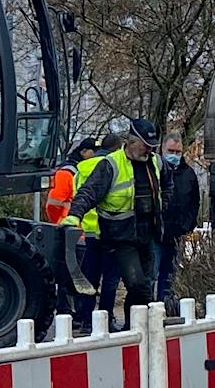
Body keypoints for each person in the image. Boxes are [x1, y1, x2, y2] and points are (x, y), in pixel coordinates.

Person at [64, 116, 165, 323]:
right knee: (138, 285)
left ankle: (133, 326)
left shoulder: (154, 162)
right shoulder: (110, 165)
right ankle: (146, 325)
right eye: (146, 146)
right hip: (120, 238)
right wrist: (74, 216)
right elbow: (88, 193)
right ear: (131, 141)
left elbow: (167, 187)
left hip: (147, 235)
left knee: (142, 286)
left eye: (152, 146)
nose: (149, 151)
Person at [157, 130, 202, 309]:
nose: (174, 156)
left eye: (177, 152)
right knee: (151, 275)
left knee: (170, 275)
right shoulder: (155, 170)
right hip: (157, 233)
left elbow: (194, 203)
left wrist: (187, 227)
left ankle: (165, 307)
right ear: (162, 149)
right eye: (171, 151)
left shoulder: (188, 174)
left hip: (178, 234)